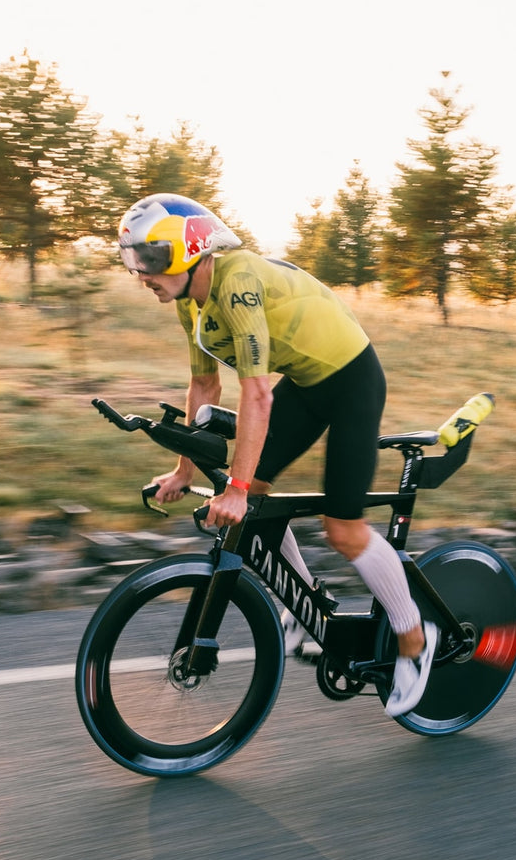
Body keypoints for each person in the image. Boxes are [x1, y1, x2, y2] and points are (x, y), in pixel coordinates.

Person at [117, 192, 437, 717]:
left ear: (188, 250)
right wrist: (183, 471)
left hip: (352, 379)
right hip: (308, 384)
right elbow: (203, 383)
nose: (140, 273)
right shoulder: (190, 303)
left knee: (342, 529)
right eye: (132, 261)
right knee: (254, 499)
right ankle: (306, 602)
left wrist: (236, 488)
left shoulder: (236, 285)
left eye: (148, 260)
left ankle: (413, 639)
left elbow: (257, 393)